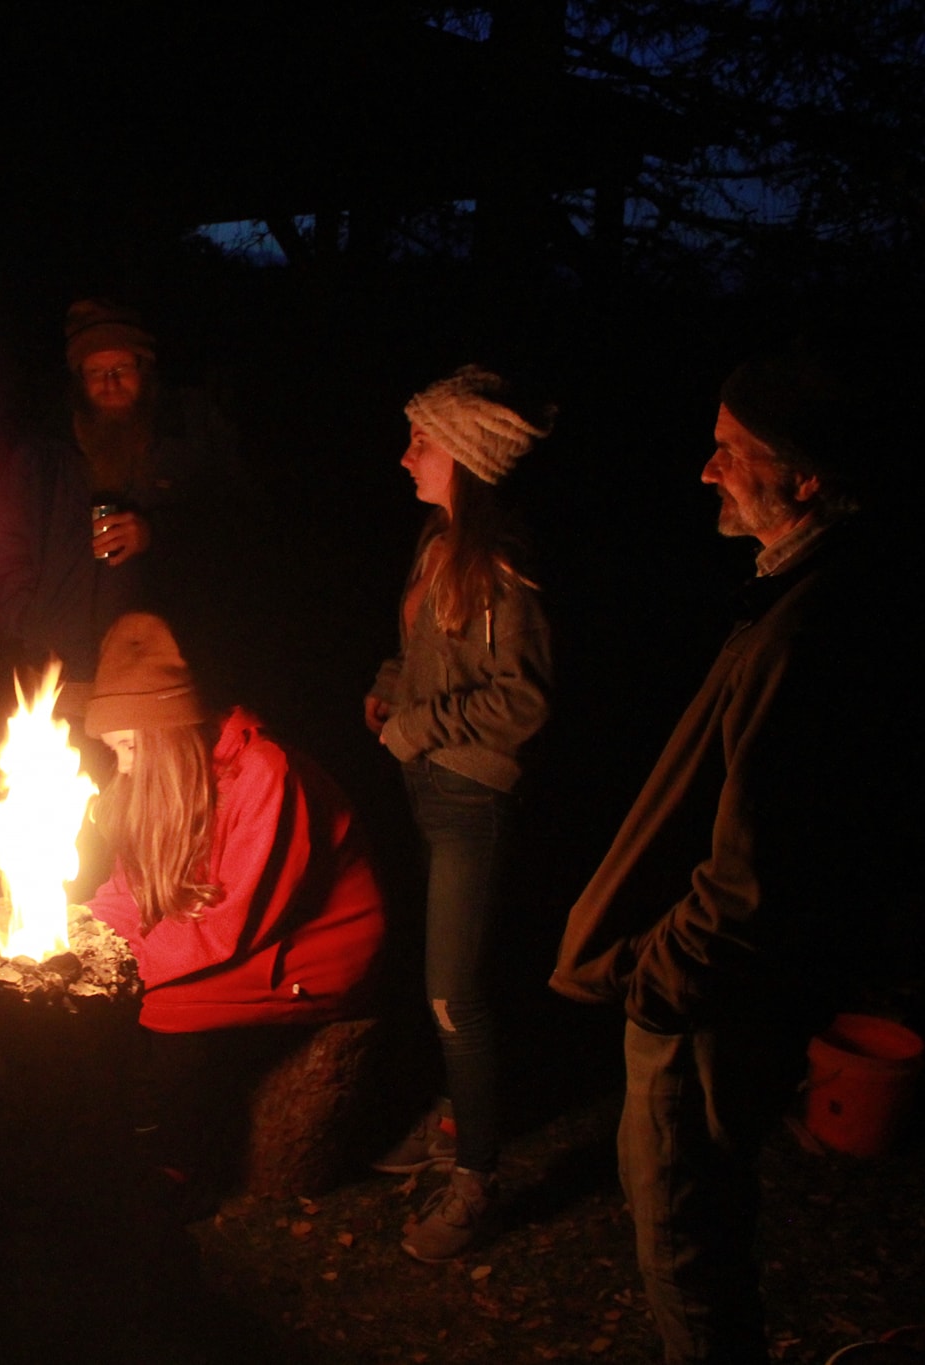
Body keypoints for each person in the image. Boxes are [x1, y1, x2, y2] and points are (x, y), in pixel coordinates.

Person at [551, 354, 883, 1363]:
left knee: (682, 1244)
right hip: (715, 989)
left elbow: (754, 873)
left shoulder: (805, 630)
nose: (705, 471)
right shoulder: (796, 595)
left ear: (806, 478)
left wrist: (659, 980)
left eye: (731, 454)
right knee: (698, 1228)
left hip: (703, 1002)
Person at [82, 613, 388, 1192]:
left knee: (169, 1004)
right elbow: (130, 889)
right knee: (131, 992)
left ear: (164, 733)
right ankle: (140, 1122)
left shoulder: (263, 774)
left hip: (312, 950)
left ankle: (185, 1169)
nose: (120, 763)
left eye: (125, 746)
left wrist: (128, 968)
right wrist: (83, 939)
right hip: (232, 930)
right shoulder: (163, 782)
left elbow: (232, 925)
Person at [364, 365, 555, 1262]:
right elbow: (419, 655)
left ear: (466, 459)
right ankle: (450, 1120)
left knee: (454, 993)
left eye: (423, 442)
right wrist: (388, 690)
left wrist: (416, 725)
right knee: (443, 980)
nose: (406, 456)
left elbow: (521, 703)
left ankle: (476, 1177)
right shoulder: (437, 540)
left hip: (471, 793)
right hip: (427, 783)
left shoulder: (504, 563)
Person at [0, 299, 240, 725]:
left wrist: (154, 534)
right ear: (79, 380)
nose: (110, 382)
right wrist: (27, 616)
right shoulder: (44, 453)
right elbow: (0, 538)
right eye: (96, 372)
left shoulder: (185, 444)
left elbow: (234, 530)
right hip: (59, 672)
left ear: (144, 370)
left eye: (122, 369)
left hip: (158, 675)